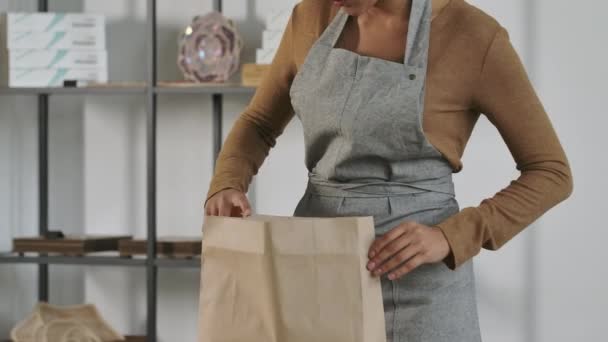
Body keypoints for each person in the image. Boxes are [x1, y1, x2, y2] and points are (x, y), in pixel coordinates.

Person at [203, 0, 574, 340]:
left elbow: (551, 172)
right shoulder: (310, 17)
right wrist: (227, 182)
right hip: (318, 266)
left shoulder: (473, 35)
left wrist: (452, 236)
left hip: (423, 286)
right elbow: (259, 122)